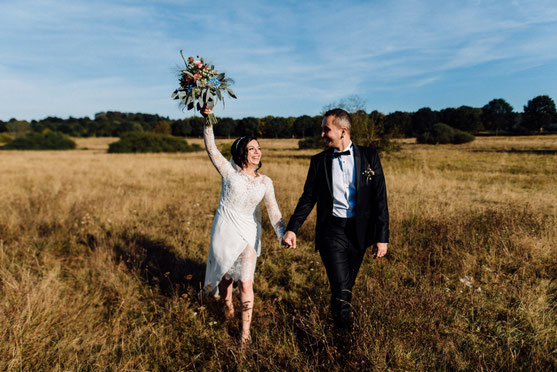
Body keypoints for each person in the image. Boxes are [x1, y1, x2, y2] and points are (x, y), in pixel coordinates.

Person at [281, 108, 389, 332]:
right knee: (340, 285)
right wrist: (293, 229)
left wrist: (382, 237)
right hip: (332, 231)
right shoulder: (319, 162)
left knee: (347, 286)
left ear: (343, 131)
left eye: (326, 130)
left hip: (359, 232)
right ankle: (343, 336)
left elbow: (380, 199)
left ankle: (340, 325)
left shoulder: (370, 157)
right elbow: (308, 198)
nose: (322, 134)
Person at [199, 106, 285, 345]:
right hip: (226, 231)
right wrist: (208, 120)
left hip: (249, 234)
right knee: (227, 277)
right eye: (251, 149)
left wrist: (282, 234)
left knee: (246, 282)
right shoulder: (229, 173)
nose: (257, 152)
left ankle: (245, 332)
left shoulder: (265, 182)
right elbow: (211, 148)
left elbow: (273, 209)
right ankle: (226, 301)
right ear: (240, 153)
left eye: (259, 148)